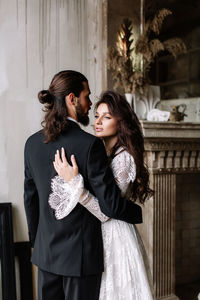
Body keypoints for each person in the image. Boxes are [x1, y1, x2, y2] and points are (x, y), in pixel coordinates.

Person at [24, 71, 142, 300]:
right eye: (86, 96)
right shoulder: (90, 145)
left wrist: (37, 244)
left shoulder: (31, 144)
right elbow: (110, 206)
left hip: (45, 255)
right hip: (81, 260)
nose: (89, 104)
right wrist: (136, 212)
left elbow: (31, 200)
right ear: (72, 99)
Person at [48, 90, 154, 300]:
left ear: (121, 122)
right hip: (99, 236)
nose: (98, 121)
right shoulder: (103, 153)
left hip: (116, 235)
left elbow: (108, 212)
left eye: (107, 117)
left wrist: (75, 185)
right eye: (97, 115)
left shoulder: (124, 159)